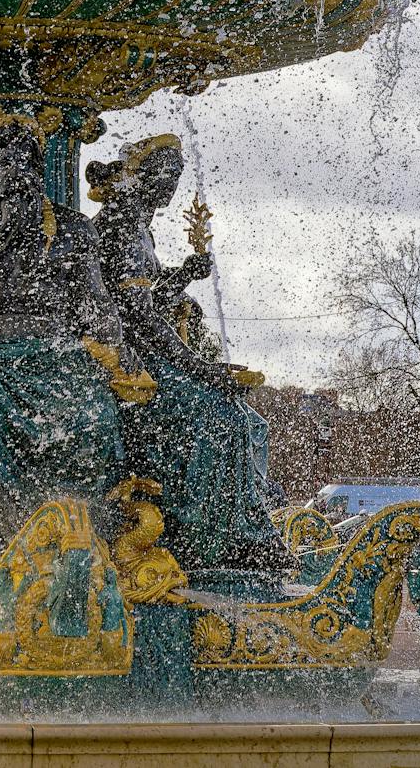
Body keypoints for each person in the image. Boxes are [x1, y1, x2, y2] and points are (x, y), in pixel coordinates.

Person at [0, 109, 144, 555]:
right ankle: (23, 533)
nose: (16, 172)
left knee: (93, 410)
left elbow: (96, 303)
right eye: (3, 160)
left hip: (57, 351)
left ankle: (81, 530)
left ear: (38, 169)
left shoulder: (74, 231)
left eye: (25, 161)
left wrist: (116, 341)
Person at [87, 136, 285, 571]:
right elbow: (137, 318)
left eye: (174, 178)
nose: (169, 187)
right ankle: (204, 535)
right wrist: (203, 369)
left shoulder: (140, 226)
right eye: (163, 176)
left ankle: (245, 525)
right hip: (126, 361)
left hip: (145, 347)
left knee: (253, 423)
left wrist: (181, 278)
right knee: (218, 415)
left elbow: (148, 302)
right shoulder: (119, 224)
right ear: (140, 177)